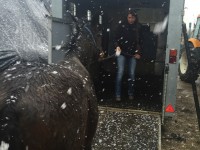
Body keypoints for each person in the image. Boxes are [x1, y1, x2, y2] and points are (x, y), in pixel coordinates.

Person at [114, 10, 141, 101]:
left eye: (133, 17)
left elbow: (140, 42)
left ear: (135, 18)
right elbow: (116, 39)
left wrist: (138, 53)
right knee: (120, 72)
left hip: (133, 54)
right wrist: (117, 47)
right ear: (127, 17)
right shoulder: (121, 26)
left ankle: (131, 93)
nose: (131, 19)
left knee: (132, 74)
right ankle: (118, 94)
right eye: (129, 17)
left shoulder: (138, 28)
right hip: (122, 53)